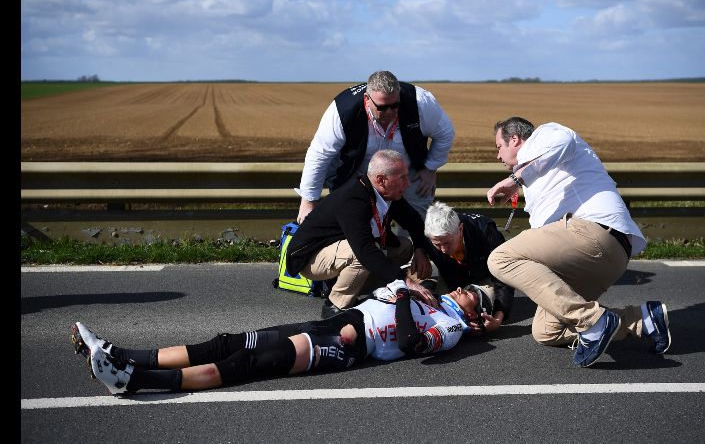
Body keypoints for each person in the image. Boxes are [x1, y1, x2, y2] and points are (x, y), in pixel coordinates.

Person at [70, 280, 494, 395]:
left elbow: (408, 343)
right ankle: (120, 354)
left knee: (249, 365)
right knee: (228, 343)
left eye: (474, 294)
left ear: (477, 316)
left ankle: (134, 381)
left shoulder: (451, 327)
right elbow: (374, 302)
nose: (463, 290)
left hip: (347, 345)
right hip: (337, 323)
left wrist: (402, 293)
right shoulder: (431, 295)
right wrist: (399, 289)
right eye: (467, 285)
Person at [485, 117, 671, 368]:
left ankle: (593, 322)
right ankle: (642, 320)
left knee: (500, 258)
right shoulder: (534, 182)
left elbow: (562, 143)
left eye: (499, 147)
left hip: (594, 232)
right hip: (604, 255)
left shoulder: (546, 134)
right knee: (546, 331)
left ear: (515, 139)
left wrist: (516, 179)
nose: (498, 156)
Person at [286, 149, 434, 318]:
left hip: (343, 249)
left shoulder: (388, 194)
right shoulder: (353, 200)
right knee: (360, 255)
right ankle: (336, 306)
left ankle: (371, 289)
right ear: (381, 180)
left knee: (405, 246)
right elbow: (364, 250)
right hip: (310, 258)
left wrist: (420, 250)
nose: (407, 184)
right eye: (402, 178)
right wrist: (406, 281)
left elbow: (415, 222)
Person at [296, 70, 455, 223]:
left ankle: (415, 248)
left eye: (395, 105)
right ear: (367, 99)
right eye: (382, 107)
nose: (389, 112)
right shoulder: (342, 111)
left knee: (418, 217)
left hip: (410, 168)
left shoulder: (420, 102)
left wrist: (430, 168)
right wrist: (309, 201)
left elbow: (445, 133)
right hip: (357, 171)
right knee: (353, 217)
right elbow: (319, 155)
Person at [421, 201, 516, 334]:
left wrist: (498, 319)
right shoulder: (430, 236)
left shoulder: (486, 231)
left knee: (485, 308)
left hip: (485, 275)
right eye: (437, 244)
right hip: (452, 276)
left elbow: (503, 277)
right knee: (436, 307)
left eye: (447, 243)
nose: (443, 249)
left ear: (460, 230)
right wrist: (419, 252)